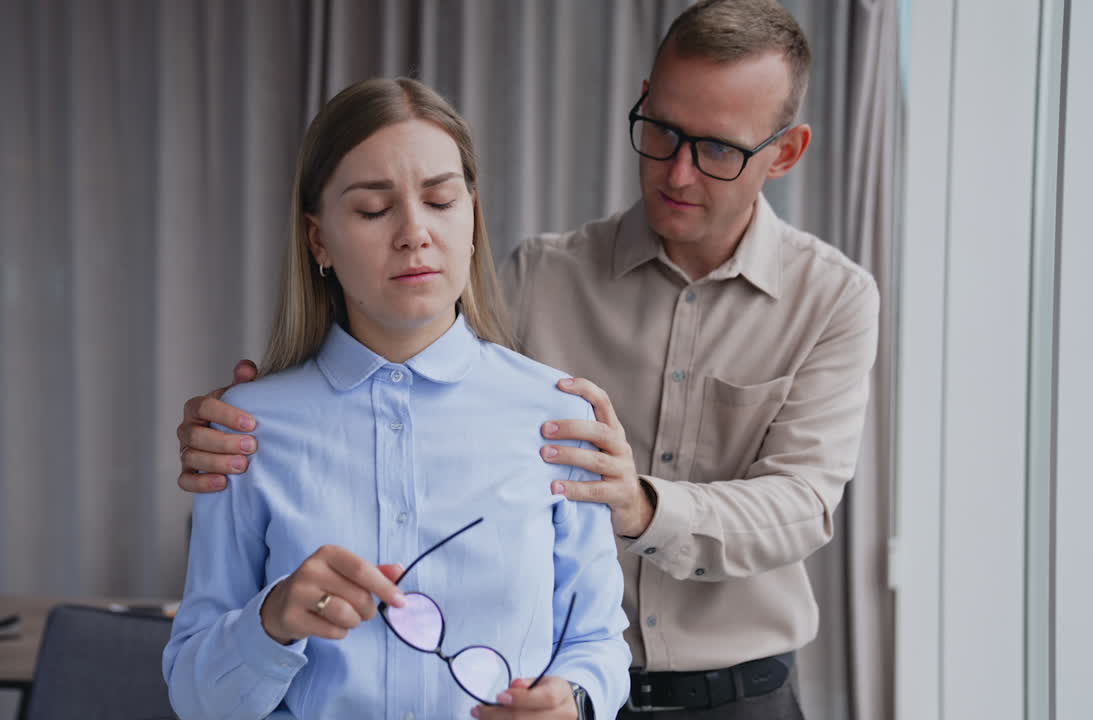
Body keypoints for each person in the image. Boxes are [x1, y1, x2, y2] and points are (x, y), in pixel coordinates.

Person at [176, 2, 879, 718]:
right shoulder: (539, 275)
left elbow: (802, 503)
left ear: (784, 154)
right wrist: (241, 429)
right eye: (662, 131)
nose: (677, 170)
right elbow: (412, 354)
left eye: (718, 150)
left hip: (733, 692)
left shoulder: (834, 298)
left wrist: (639, 507)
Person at [162, 77, 630, 720]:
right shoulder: (244, 434)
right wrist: (271, 621)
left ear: (472, 217)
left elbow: (598, 641)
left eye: (440, 200)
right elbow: (195, 697)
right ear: (319, 240)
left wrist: (575, 701)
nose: (415, 233)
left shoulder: (558, 418)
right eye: (373, 210)